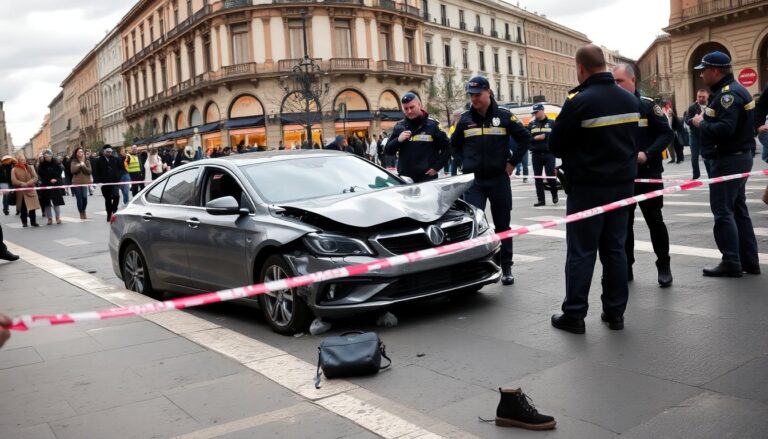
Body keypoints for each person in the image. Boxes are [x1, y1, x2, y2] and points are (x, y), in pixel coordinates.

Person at [548, 45, 640, 333]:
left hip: (587, 189)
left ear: (581, 68)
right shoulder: (630, 100)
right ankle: (615, 314)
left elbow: (556, 144)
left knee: (582, 251)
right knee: (615, 249)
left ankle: (574, 314)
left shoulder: (579, 102)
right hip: (622, 187)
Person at [451, 75, 531, 286]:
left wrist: (513, 162)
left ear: (489, 93)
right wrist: (461, 162)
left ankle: (506, 266)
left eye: (477, 95)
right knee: (473, 227)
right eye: (471, 95)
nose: (473, 99)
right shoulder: (466, 119)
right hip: (475, 182)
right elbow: (454, 144)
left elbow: (525, 138)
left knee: (503, 225)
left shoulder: (504, 116)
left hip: (498, 180)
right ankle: (475, 268)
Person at [690, 51, 760, 277]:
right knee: (738, 209)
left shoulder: (727, 95)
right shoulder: (732, 91)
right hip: (738, 157)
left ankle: (731, 261)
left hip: (729, 159)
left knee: (723, 211)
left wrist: (701, 124)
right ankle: (749, 261)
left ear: (715, 71)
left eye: (703, 70)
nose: (701, 75)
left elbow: (725, 129)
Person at [613, 64, 675, 287]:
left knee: (655, 221)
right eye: (613, 81)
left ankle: (664, 265)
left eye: (619, 81)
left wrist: (647, 154)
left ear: (633, 81)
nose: (616, 85)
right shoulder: (613, 107)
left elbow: (667, 133)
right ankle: (627, 266)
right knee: (624, 224)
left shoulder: (647, 106)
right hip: (624, 177)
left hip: (648, 173)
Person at [385, 92, 451, 183]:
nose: (409, 111)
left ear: (420, 105)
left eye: (412, 107)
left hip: (427, 179)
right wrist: (398, 140)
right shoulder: (400, 126)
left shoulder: (433, 125)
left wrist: (436, 167)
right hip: (405, 179)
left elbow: (448, 148)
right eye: (406, 108)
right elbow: (387, 151)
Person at [527, 103, 559, 206]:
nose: (535, 114)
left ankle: (554, 192)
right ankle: (541, 200)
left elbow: (557, 136)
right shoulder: (532, 124)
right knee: (538, 178)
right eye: (534, 112)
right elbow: (527, 139)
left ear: (542, 110)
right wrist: (535, 139)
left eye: (536, 112)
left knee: (550, 176)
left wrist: (546, 137)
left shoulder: (551, 123)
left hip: (549, 153)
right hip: (536, 154)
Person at [685, 89, 711, 178]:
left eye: (703, 97)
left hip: (706, 136)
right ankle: (696, 175)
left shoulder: (711, 105)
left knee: (706, 157)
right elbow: (686, 119)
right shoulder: (692, 107)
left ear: (707, 96)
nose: (700, 98)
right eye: (699, 96)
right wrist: (693, 120)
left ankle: (710, 174)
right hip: (694, 136)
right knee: (694, 157)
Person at [10, 152, 41, 228]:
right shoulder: (14, 170)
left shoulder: (30, 167)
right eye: (21, 160)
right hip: (21, 192)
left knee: (32, 207)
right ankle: (24, 222)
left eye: (24, 159)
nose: (23, 161)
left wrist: (28, 183)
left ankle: (33, 222)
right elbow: (13, 180)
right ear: (18, 160)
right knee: (23, 207)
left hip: (30, 189)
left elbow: (35, 177)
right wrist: (21, 184)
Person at [94, 144, 122, 222]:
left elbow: (120, 169)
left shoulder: (116, 159)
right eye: (107, 152)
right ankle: (109, 214)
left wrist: (118, 177)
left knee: (116, 196)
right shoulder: (98, 160)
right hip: (105, 183)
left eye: (110, 152)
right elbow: (96, 172)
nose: (109, 153)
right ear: (104, 152)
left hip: (115, 182)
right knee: (108, 199)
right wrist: (98, 181)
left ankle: (114, 210)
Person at [37, 150, 65, 225]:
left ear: (51, 155)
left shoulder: (56, 162)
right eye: (46, 157)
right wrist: (49, 178)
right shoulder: (42, 164)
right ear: (44, 157)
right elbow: (40, 173)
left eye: (49, 156)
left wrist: (55, 178)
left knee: (56, 202)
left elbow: (60, 171)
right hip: (46, 184)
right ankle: (49, 218)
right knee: (47, 203)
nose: (48, 158)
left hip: (55, 183)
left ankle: (58, 217)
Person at [70, 147, 91, 220]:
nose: (80, 153)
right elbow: (73, 171)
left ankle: (84, 210)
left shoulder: (87, 161)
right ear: (76, 153)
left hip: (84, 182)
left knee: (84, 197)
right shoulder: (74, 162)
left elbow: (89, 171)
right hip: (76, 183)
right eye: (79, 152)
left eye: (81, 151)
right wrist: (79, 165)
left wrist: (83, 165)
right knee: (79, 199)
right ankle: (81, 213)